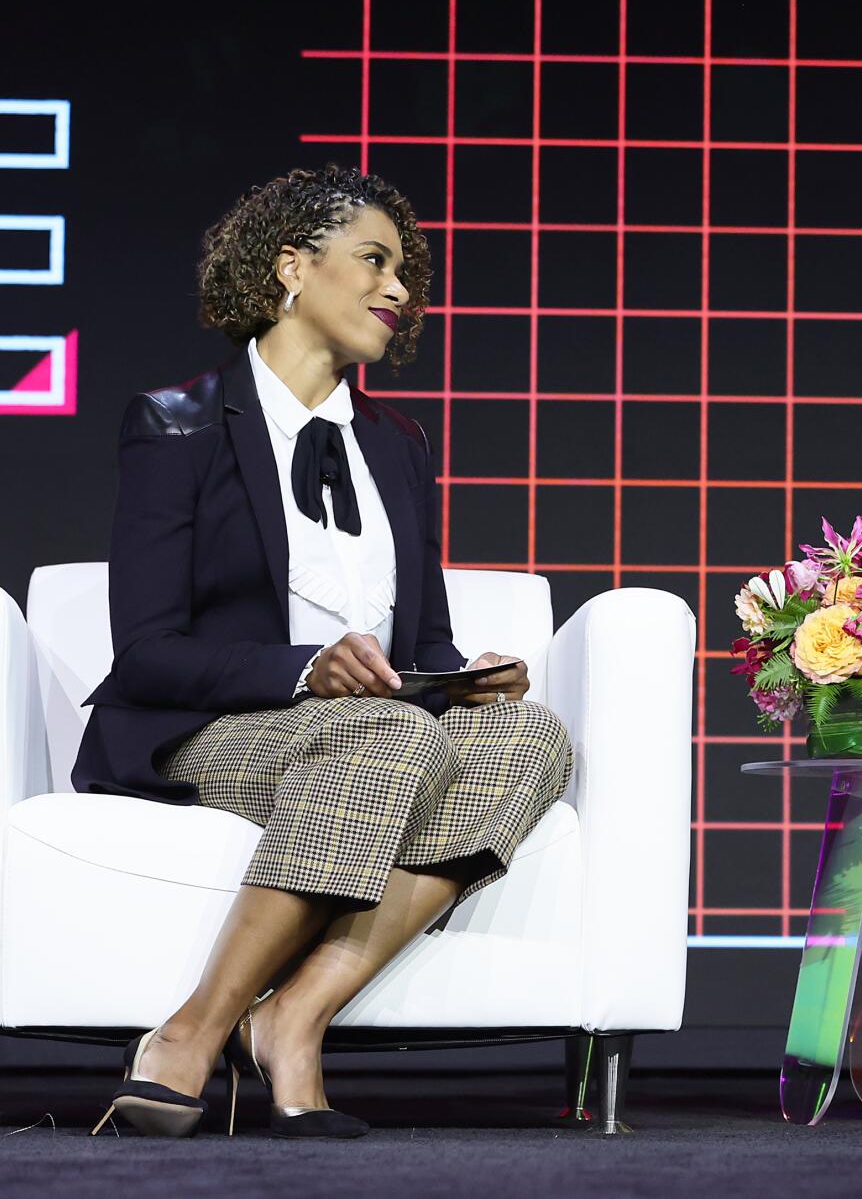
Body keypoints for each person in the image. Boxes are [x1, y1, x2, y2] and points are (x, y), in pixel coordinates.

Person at [74, 166, 572, 1139]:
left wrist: (465, 677)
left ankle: (294, 1016)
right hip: (208, 729)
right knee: (388, 734)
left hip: (370, 727)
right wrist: (305, 670)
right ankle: (188, 1032)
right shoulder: (176, 424)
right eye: (375, 263)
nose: (399, 292)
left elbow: (418, 638)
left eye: (406, 275)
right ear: (293, 268)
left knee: (529, 735)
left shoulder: (397, 442)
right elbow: (144, 654)